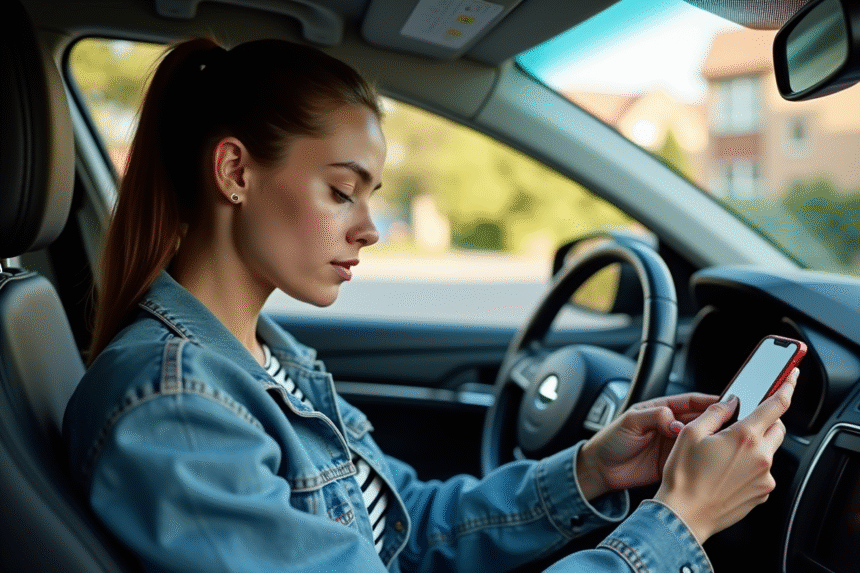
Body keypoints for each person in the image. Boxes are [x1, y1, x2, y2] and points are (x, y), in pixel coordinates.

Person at [63, 37, 796, 573]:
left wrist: (590, 470)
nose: (369, 227)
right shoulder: (177, 406)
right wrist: (679, 523)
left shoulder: (266, 355)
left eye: (370, 196)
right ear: (235, 171)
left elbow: (400, 532)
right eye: (340, 190)